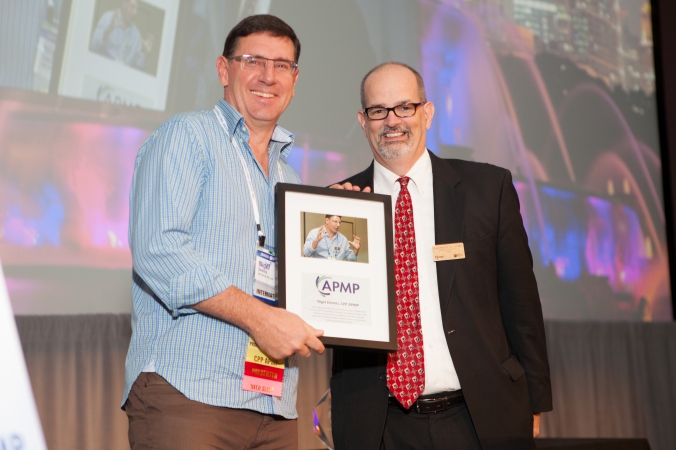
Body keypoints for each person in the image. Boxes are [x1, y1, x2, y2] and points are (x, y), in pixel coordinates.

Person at [122, 15, 325, 449]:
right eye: (254, 61)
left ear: (295, 78)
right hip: (190, 394)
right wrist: (260, 318)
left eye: (282, 65)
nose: (268, 76)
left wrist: (340, 221)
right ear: (223, 69)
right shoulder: (186, 137)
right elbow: (160, 251)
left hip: (274, 404)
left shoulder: (291, 178)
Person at [329, 62, 552, 449]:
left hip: (479, 417)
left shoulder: (488, 189)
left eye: (405, 107)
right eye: (378, 111)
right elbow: (326, 313)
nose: (392, 120)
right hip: (377, 424)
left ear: (427, 113)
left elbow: (522, 306)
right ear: (363, 122)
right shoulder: (339, 206)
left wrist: (534, 401)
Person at [90, 0, 153, 70]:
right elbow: (93, 46)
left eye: (137, 9)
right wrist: (107, 32)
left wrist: (147, 54)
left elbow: (138, 65)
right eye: (132, 7)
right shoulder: (107, 18)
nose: (135, 12)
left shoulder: (136, 35)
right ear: (124, 3)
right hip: (102, 69)